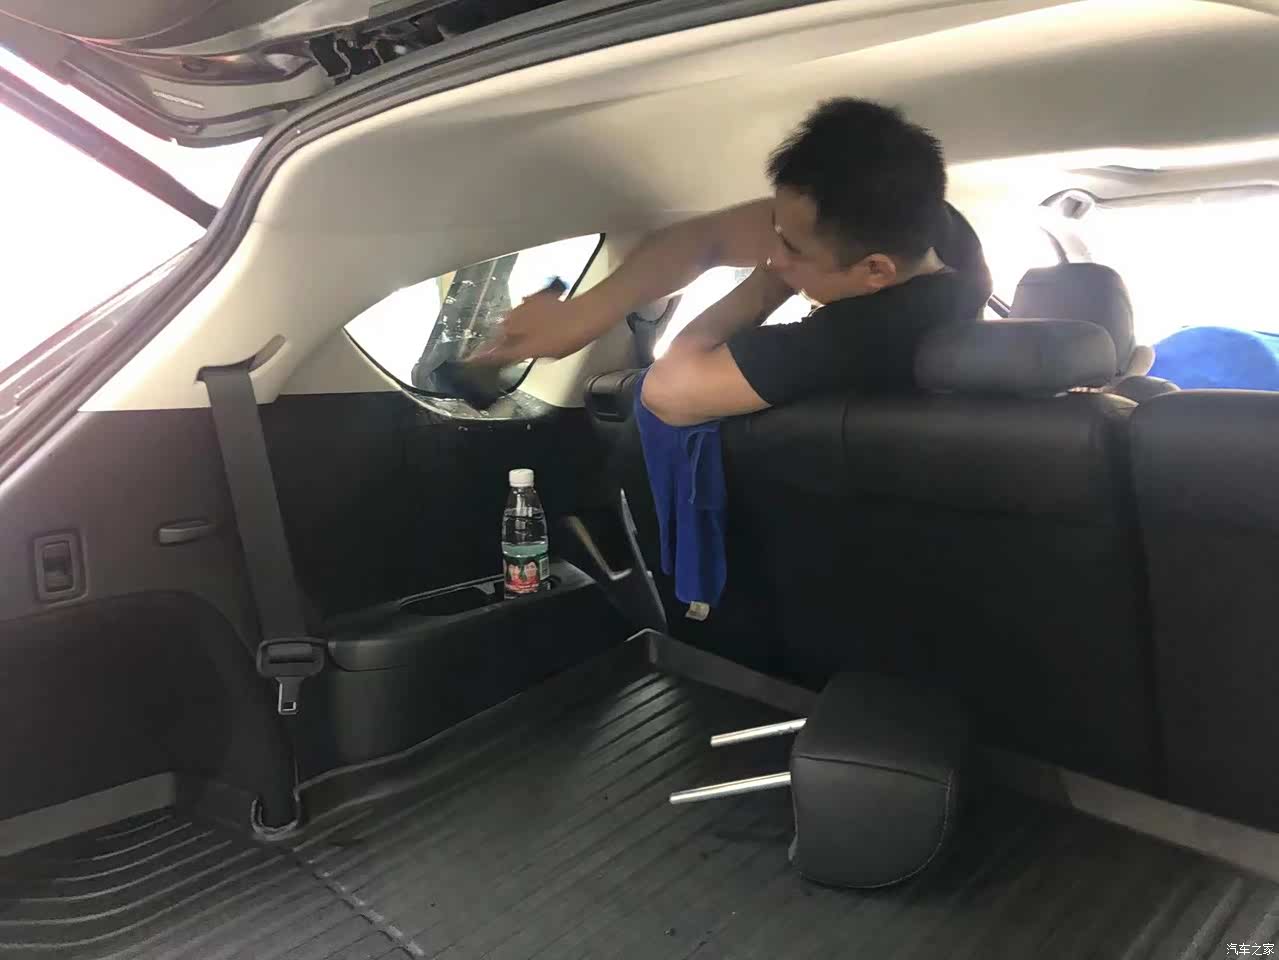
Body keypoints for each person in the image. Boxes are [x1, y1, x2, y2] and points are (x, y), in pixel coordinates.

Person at [473, 98, 991, 425]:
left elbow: (669, 391)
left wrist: (771, 281)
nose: (772, 253)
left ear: (875, 271)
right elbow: (710, 238)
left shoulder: (869, 336)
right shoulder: (932, 229)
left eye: (792, 248)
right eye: (777, 233)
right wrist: (580, 317)